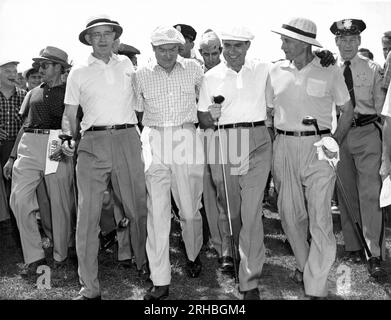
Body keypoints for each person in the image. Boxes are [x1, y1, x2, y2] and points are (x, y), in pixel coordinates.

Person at [61, 15, 149, 300]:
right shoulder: (78, 72)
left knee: (137, 209)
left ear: (115, 37)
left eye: (106, 33)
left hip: (127, 139)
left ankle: (147, 267)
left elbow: (143, 101)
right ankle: (89, 287)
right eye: (95, 35)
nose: (101, 39)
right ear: (88, 39)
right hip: (92, 143)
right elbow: (69, 114)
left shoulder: (127, 66)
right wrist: (67, 137)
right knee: (87, 217)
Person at [267, 17, 354, 298]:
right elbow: (268, 113)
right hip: (284, 146)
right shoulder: (274, 71)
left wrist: (333, 142)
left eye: (287, 40)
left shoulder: (330, 69)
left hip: (321, 147)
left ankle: (315, 286)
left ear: (305, 44)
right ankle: (307, 268)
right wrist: (274, 145)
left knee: (320, 219)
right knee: (290, 217)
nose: (282, 45)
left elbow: (347, 110)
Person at [198, 26, 272, 300]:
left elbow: (292, 70)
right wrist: (210, 115)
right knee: (231, 209)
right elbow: (203, 119)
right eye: (226, 45)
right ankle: (229, 249)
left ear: (248, 47)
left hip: (257, 139)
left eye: (237, 46)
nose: (231, 52)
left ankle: (249, 279)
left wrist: (321, 56)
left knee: (252, 211)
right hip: (226, 139)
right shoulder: (210, 77)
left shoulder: (264, 69)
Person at [133, 25, 204, 300]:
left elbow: (211, 96)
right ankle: (160, 279)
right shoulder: (140, 75)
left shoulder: (194, 69)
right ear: (153, 50)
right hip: (155, 139)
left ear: (180, 48)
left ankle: (193, 253)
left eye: (173, 49)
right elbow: (137, 112)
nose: (168, 55)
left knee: (188, 210)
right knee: (158, 212)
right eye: (162, 50)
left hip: (186, 136)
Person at [8, 46, 75, 276]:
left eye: (45, 65)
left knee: (59, 201)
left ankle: (60, 254)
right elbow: (24, 125)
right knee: (19, 199)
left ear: (59, 68)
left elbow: (75, 126)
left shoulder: (71, 93)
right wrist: (11, 156)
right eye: (39, 65)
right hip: (29, 143)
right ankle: (34, 255)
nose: (40, 69)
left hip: (57, 141)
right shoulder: (32, 92)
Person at [330, 19, 386, 278]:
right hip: (340, 136)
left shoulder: (373, 69)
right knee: (346, 193)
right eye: (343, 40)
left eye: (353, 40)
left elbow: (382, 110)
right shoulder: (328, 69)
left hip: (366, 133)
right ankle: (353, 246)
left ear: (360, 41)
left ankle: (373, 251)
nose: (348, 45)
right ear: (336, 42)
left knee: (370, 194)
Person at [197, 29, 234, 274]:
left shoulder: (228, 73)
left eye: (214, 52)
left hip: (226, 138)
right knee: (207, 195)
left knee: (225, 193)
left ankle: (227, 249)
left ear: (221, 51)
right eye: (206, 53)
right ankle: (217, 243)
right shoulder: (194, 74)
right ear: (199, 53)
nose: (211, 57)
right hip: (196, 137)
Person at [0, 60, 26, 229]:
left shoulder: (24, 95)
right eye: (7, 71)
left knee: (15, 185)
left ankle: (16, 221)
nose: (12, 75)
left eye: (14, 71)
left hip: (15, 147)